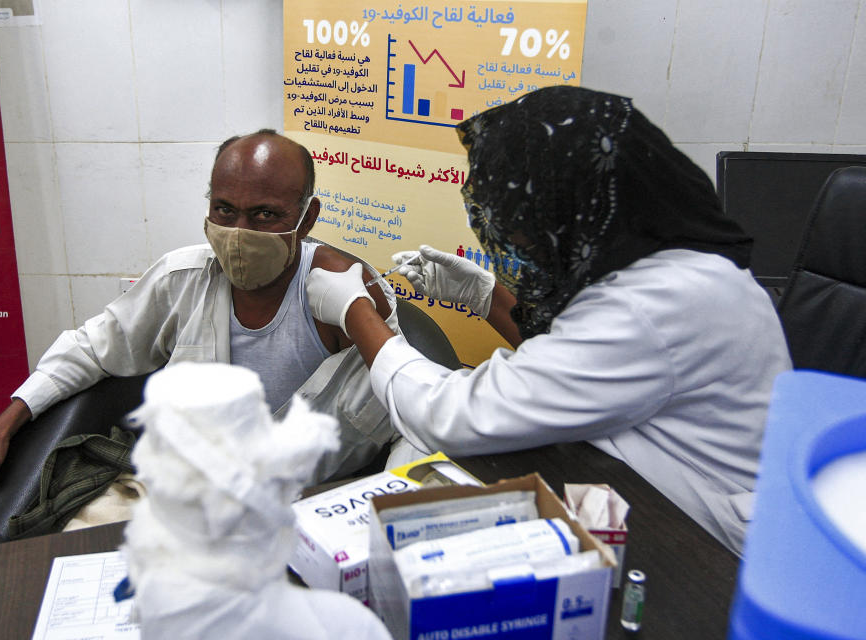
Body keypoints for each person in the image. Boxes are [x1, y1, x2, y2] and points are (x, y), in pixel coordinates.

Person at [305, 86, 792, 555]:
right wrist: (485, 295)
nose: (515, 243)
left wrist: (357, 314)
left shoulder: (651, 308)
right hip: (650, 474)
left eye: (523, 225)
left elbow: (450, 416)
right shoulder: (662, 263)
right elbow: (571, 368)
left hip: (706, 550)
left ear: (571, 206)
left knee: (427, 459)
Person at [0, 129, 396, 510]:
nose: (239, 233)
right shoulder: (183, 279)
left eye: (266, 215)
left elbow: (401, 398)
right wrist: (2, 426)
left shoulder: (343, 292)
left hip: (309, 502)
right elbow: (92, 347)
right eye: (224, 210)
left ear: (307, 217)